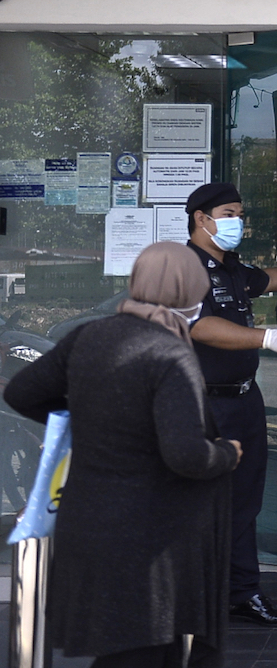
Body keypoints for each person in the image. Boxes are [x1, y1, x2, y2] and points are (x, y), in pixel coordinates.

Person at [3, 242, 242, 667]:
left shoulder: (88, 336)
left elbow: (21, 392)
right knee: (145, 649)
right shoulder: (169, 352)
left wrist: (85, 420)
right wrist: (226, 452)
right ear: (186, 290)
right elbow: (186, 455)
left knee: (127, 649)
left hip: (91, 521)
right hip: (154, 537)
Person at [185, 182, 277, 627]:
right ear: (202, 219)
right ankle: (191, 594)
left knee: (245, 502)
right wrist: (268, 337)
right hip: (203, 405)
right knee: (199, 501)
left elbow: (269, 278)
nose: (238, 222)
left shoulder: (232, 268)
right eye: (229, 213)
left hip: (243, 401)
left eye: (240, 213)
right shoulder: (184, 267)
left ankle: (242, 593)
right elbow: (199, 326)